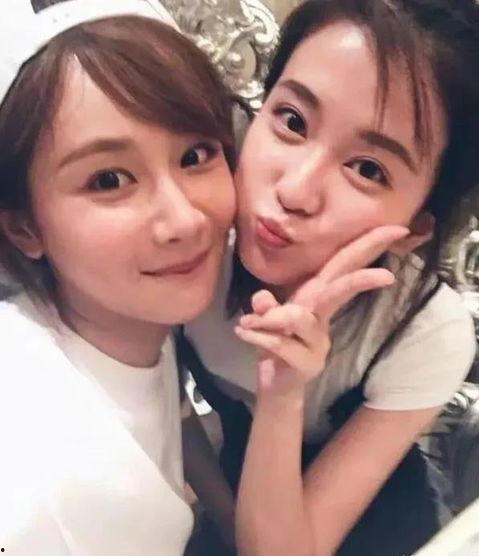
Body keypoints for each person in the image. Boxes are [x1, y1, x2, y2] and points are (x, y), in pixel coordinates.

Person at [180, 0, 479, 554]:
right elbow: (167, 402)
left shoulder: (423, 329)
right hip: (228, 495)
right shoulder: (183, 239)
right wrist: (225, 519)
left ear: (414, 228)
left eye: (368, 169)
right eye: (292, 121)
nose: (294, 191)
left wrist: (284, 392)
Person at [0, 1, 236, 554]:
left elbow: (172, 407)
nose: (185, 220)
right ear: (25, 228)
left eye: (195, 155)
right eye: (108, 180)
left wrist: (234, 524)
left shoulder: (126, 319)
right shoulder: (54, 493)